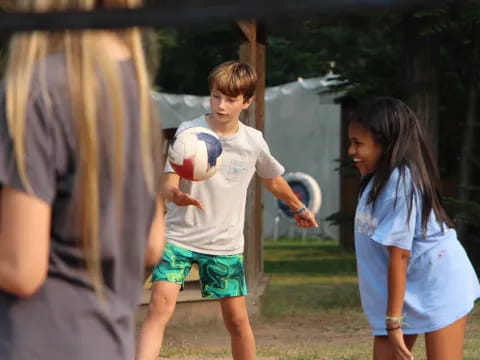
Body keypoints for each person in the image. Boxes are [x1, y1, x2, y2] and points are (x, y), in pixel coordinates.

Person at [0, 1, 165, 360]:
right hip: (110, 343)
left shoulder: (38, 91)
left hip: (35, 343)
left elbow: (21, 267)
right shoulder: (135, 92)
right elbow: (153, 244)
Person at [135, 61, 318, 360]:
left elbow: (273, 181)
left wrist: (299, 206)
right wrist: (175, 194)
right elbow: (168, 182)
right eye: (216, 96)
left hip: (224, 246)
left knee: (236, 321)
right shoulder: (189, 132)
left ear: (247, 102)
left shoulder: (252, 142)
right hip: (179, 239)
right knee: (158, 310)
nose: (221, 105)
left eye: (231, 99)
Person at [348, 97, 480, 360]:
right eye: (350, 142)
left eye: (358, 143)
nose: (351, 151)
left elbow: (399, 255)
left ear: (385, 145)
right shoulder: (375, 181)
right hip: (403, 293)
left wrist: (394, 322)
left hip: (439, 285)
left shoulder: (401, 183)